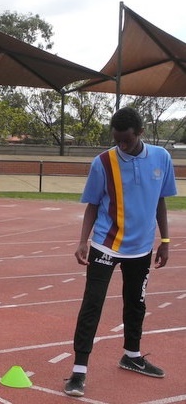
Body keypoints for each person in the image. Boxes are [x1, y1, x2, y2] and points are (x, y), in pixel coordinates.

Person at [64, 106, 177, 397]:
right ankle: (78, 370)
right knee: (92, 304)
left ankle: (132, 355)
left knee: (136, 304)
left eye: (126, 140)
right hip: (106, 244)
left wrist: (164, 242)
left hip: (140, 249)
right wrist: (82, 241)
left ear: (140, 133)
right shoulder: (103, 162)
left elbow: (161, 201)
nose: (121, 145)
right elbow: (92, 204)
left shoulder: (161, 158)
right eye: (116, 139)